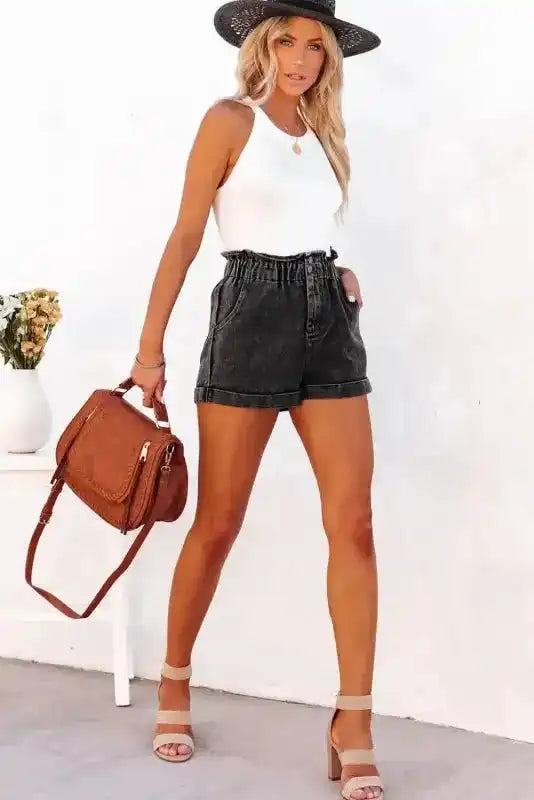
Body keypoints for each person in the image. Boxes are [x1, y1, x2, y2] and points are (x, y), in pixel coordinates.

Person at [129, 2, 383, 798]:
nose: (302, 58)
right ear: (260, 43)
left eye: (316, 46)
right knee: (219, 521)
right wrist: (149, 348)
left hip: (327, 323)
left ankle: (354, 720)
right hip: (248, 318)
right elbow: (185, 234)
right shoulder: (228, 121)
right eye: (287, 41)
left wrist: (337, 271)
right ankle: (174, 680)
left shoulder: (326, 134)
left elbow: (310, 223)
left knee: (355, 522)